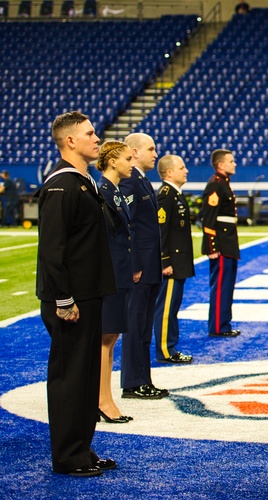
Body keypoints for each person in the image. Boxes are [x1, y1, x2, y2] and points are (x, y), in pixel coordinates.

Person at [36, 110, 117, 477]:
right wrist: (63, 300)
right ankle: (68, 456)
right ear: (70, 141)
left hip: (89, 294)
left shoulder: (83, 181)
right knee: (70, 378)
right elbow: (52, 251)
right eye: (89, 133)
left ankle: (82, 448)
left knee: (85, 377)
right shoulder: (62, 184)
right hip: (71, 300)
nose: (96, 138)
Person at [119, 133, 168, 400]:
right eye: (150, 149)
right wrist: (135, 264)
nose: (155, 154)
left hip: (150, 266)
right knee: (135, 327)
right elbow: (129, 225)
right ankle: (132, 382)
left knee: (144, 327)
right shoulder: (130, 181)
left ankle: (143, 379)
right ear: (134, 152)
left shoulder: (141, 180)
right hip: (140, 267)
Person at [96, 141, 139, 424]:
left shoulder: (115, 193)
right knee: (105, 338)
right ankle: (102, 400)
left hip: (118, 270)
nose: (131, 164)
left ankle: (104, 398)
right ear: (112, 161)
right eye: (126, 159)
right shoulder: (103, 192)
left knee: (111, 338)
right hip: (109, 272)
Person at [155, 154, 195, 364]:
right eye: (182, 167)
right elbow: (161, 231)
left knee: (174, 307)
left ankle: (171, 345)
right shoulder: (166, 195)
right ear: (169, 172)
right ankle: (165, 349)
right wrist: (165, 261)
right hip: (171, 263)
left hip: (179, 262)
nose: (186, 170)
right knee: (166, 308)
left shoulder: (175, 194)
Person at [201, 149, 241, 338]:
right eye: (231, 161)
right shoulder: (215, 185)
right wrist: (212, 247)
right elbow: (208, 219)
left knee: (227, 286)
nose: (234, 164)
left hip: (229, 244)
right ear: (220, 165)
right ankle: (218, 326)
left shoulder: (224, 184)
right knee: (220, 287)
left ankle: (223, 323)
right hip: (221, 246)